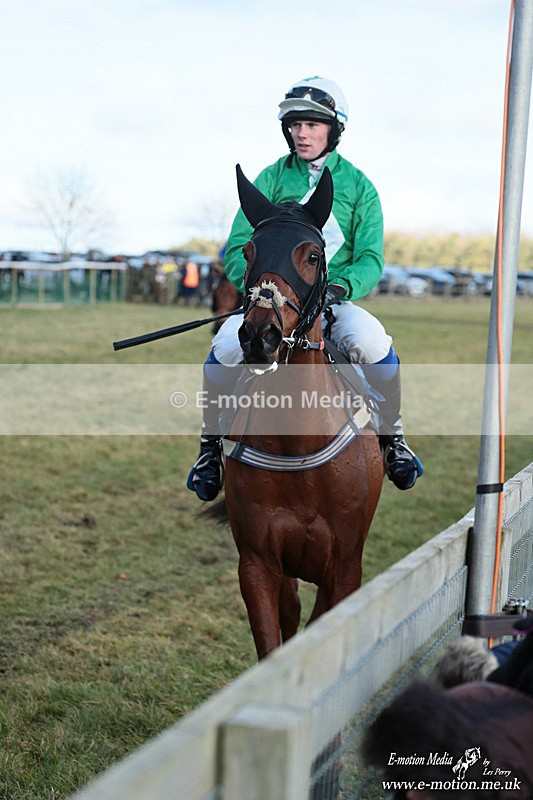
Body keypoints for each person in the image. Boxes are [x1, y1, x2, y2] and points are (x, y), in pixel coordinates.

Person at [187, 76, 423, 501]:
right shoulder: (271, 178)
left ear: (334, 130)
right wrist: (261, 291)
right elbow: (239, 247)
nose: (302, 133)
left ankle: (394, 440)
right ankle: (209, 450)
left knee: (372, 342)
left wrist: (341, 287)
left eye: (313, 125)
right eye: (295, 124)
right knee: (224, 348)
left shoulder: (360, 187)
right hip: (275, 302)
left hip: (335, 300)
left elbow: (370, 257)